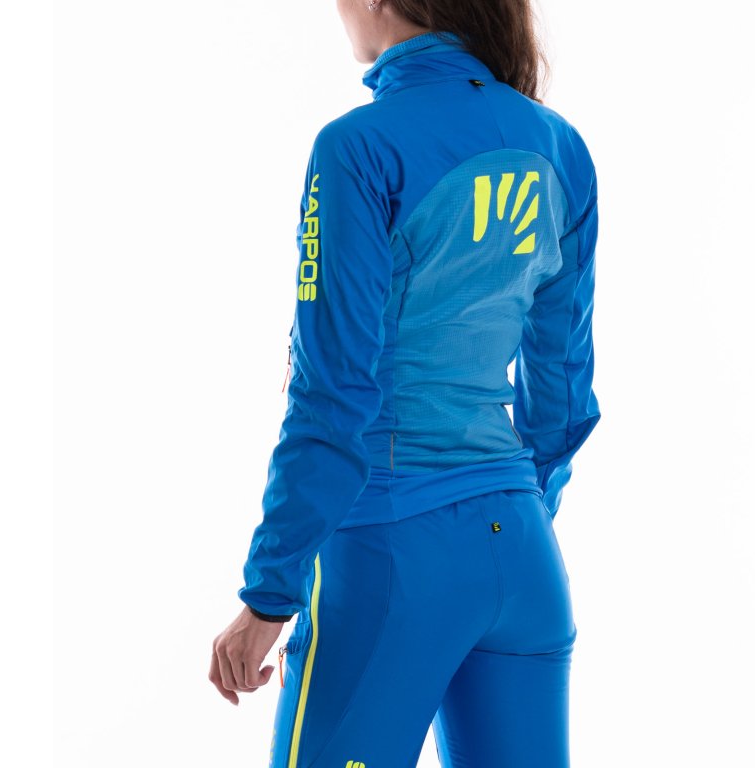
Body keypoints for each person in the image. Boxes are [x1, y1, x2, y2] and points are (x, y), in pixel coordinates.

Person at [209, 1, 601, 765]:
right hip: (523, 557)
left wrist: (268, 594)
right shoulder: (559, 146)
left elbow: (332, 396)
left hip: (392, 558)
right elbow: (562, 393)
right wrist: (511, 510)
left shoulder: (358, 147)